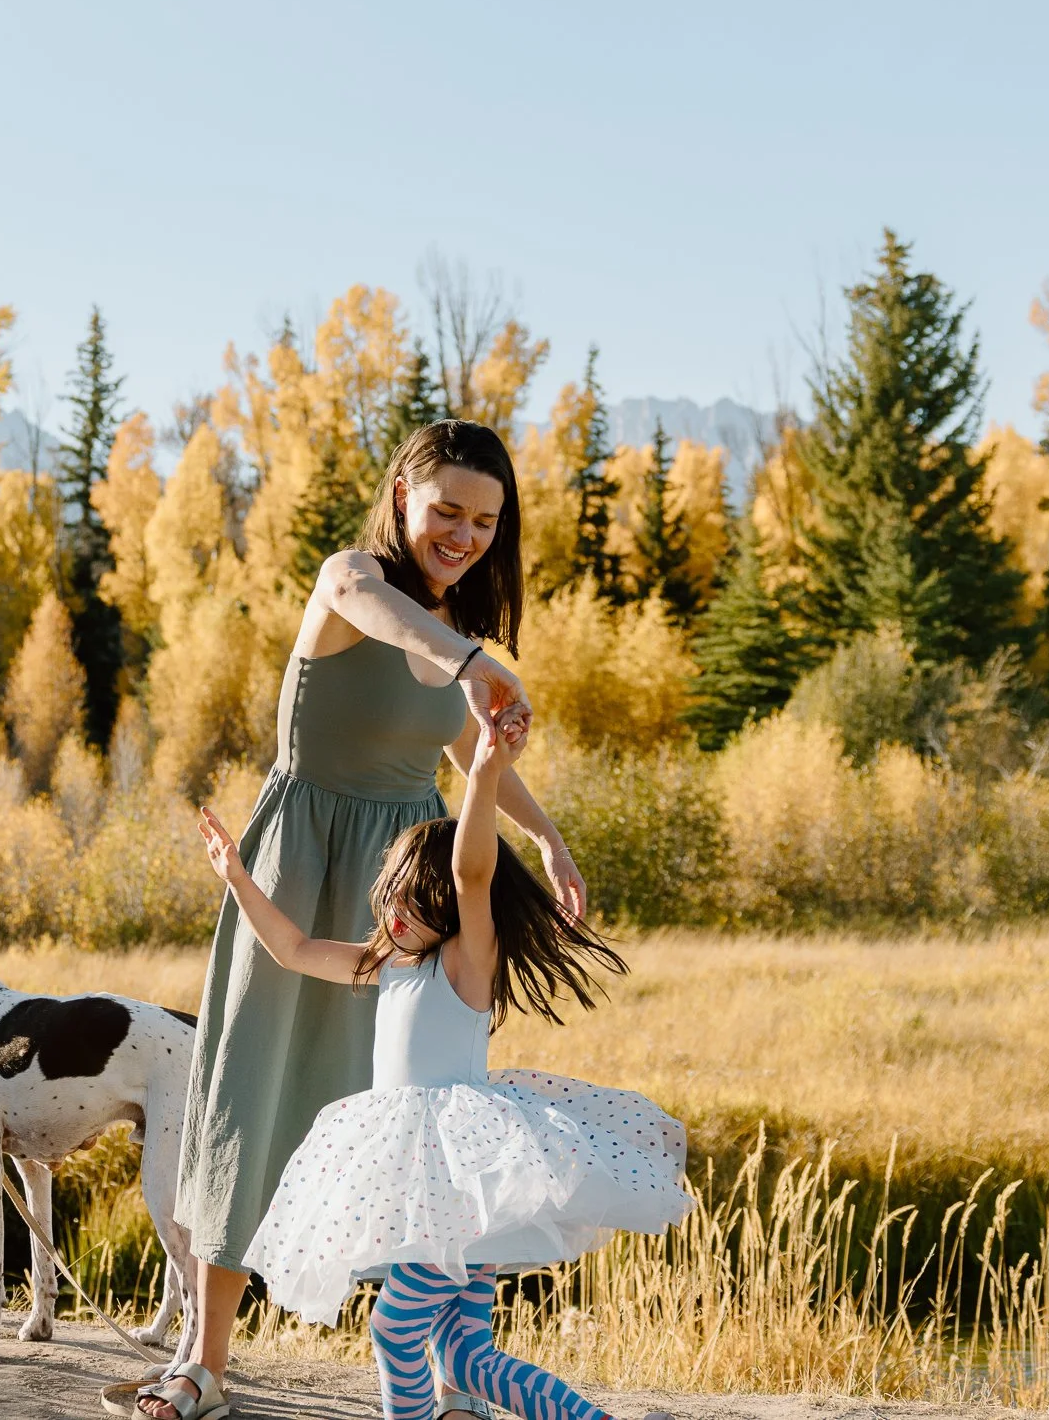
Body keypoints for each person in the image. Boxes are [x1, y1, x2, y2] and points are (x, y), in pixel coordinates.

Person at [121, 419, 588, 1420]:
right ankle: (203, 1360)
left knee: (399, 1112)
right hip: (305, 858)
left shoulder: (446, 628)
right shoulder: (352, 583)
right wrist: (470, 657)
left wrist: (545, 838)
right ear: (402, 496)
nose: (463, 534)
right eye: (447, 510)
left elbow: (472, 755)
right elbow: (398, 623)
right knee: (257, 1087)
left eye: (485, 520)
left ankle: (435, 1359)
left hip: (402, 890)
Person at [198, 703, 689, 1420]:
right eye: (393, 890)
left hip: (461, 1180)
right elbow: (296, 950)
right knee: (464, 1354)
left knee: (396, 1327)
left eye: (417, 898)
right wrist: (238, 877)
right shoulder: (387, 960)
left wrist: (486, 772)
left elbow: (471, 868)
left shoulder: (466, 960)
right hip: (432, 1181)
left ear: (453, 909)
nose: (397, 909)